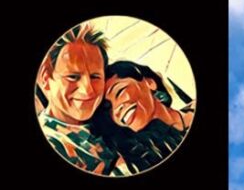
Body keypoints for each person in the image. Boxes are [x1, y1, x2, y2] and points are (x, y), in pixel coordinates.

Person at [36, 24, 125, 175]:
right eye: (73, 77)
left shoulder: (112, 116)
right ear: (46, 78)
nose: (87, 89)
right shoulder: (52, 140)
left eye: (95, 77)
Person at [91, 61, 195, 174]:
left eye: (119, 91)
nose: (116, 109)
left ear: (150, 82)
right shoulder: (129, 168)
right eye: (108, 108)